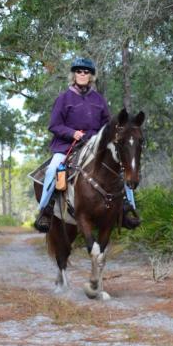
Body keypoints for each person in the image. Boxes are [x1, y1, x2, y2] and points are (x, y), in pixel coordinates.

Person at [34, 57, 141, 233]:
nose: (82, 74)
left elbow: (108, 126)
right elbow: (54, 125)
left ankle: (128, 208)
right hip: (68, 146)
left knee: (122, 168)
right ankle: (45, 211)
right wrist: (72, 133)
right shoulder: (63, 98)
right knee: (53, 169)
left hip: (94, 146)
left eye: (86, 72)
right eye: (79, 71)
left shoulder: (98, 99)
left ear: (91, 76)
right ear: (74, 75)